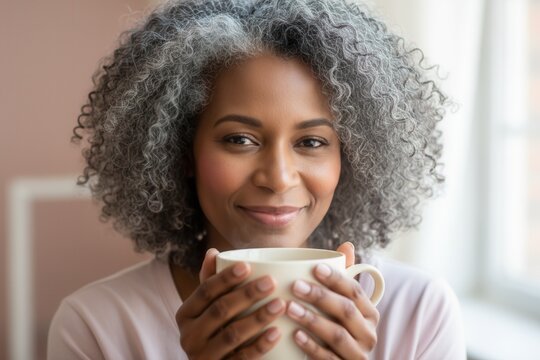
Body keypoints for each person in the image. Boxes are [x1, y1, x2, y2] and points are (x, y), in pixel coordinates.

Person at [48, 0, 466, 358]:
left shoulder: (418, 312)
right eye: (240, 139)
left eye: (312, 142)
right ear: (182, 150)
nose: (278, 178)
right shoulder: (95, 325)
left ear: (350, 156)